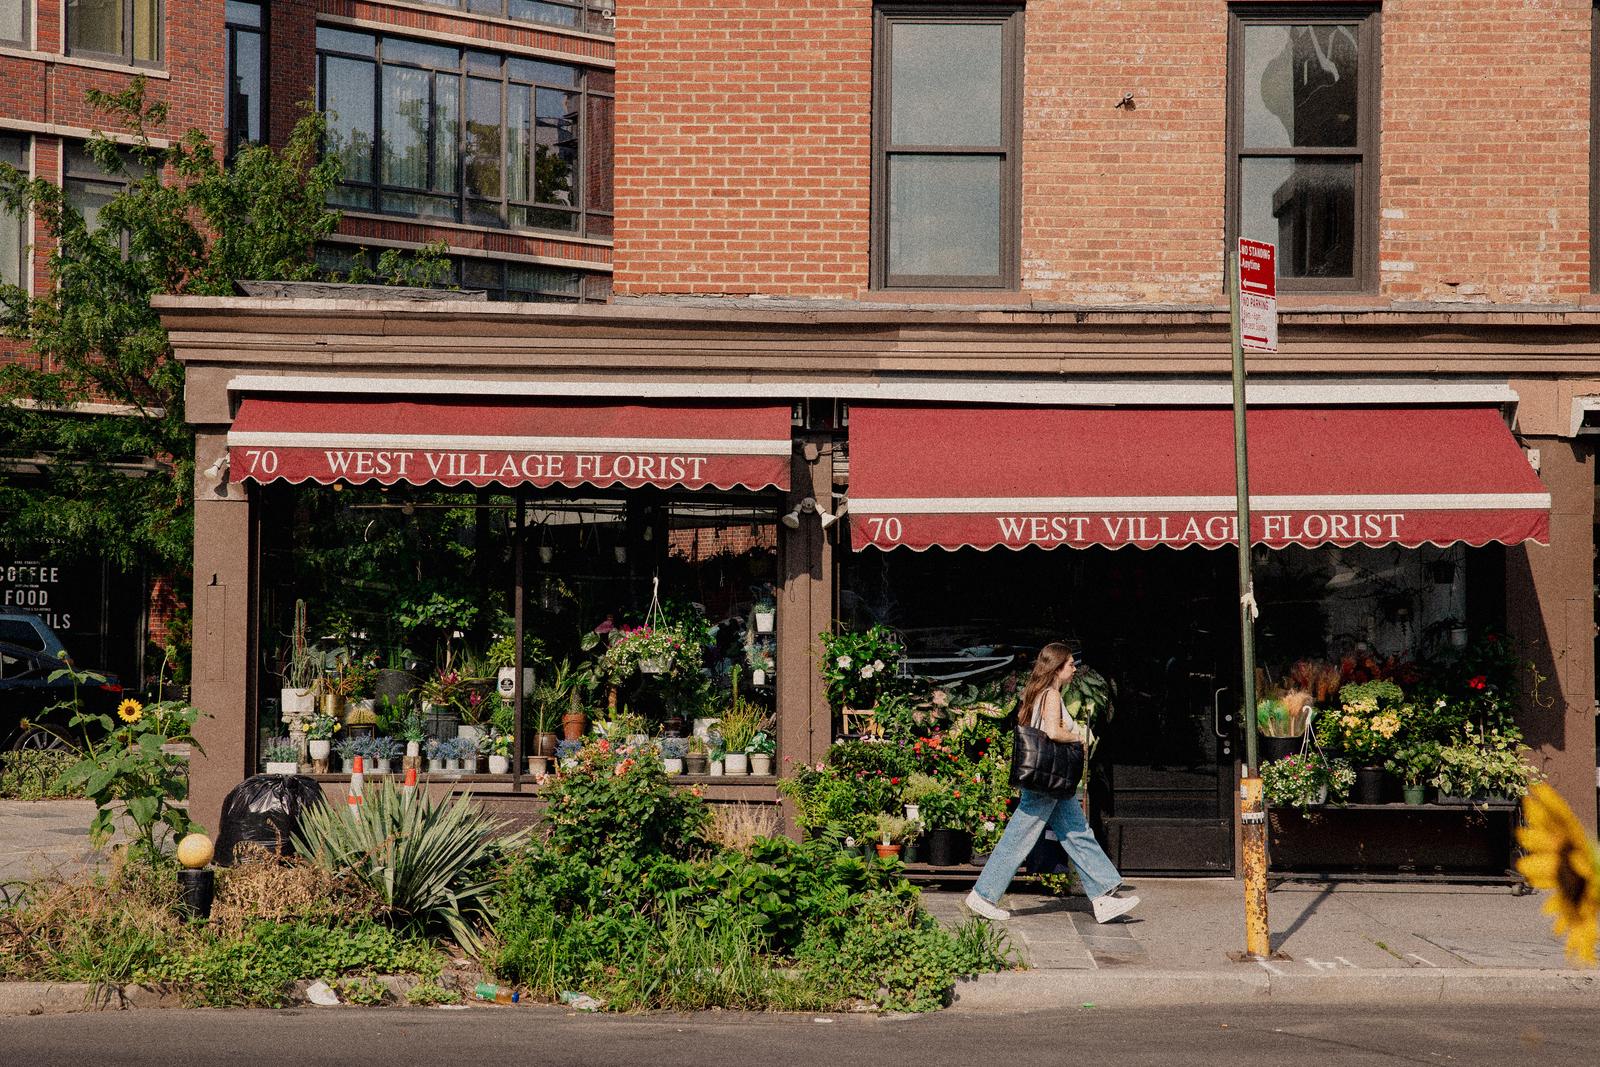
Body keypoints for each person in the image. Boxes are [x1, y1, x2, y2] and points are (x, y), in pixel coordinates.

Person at [964, 642, 1140, 924]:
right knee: (1019, 837)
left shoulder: (1042, 693)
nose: (1074, 669)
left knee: (1077, 832)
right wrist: (1078, 737)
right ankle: (983, 895)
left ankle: (1102, 896)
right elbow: (1052, 732)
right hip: (1047, 781)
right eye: (1070, 664)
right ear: (1057, 667)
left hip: (1050, 781)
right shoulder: (1051, 695)